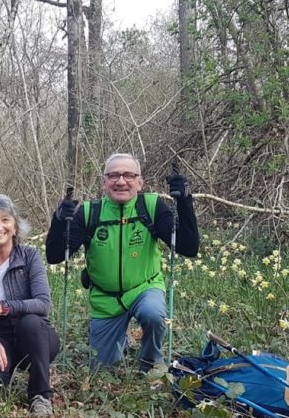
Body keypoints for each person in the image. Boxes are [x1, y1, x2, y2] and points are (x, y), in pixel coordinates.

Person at [45, 153, 199, 372]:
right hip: (105, 299)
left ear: (139, 182)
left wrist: (184, 201)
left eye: (128, 175)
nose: (121, 181)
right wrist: (59, 221)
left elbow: (188, 247)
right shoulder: (90, 212)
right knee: (100, 371)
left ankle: (150, 363)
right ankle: (120, 339)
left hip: (144, 288)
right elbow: (56, 256)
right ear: (104, 183)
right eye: (114, 175)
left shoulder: (151, 206)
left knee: (153, 314)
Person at [0, 194, 60, 417]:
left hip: (35, 336)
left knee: (31, 323)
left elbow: (43, 304)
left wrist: (2, 307)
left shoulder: (30, 257)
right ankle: (4, 375)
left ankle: (40, 395)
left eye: (5, 220)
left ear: (15, 226)